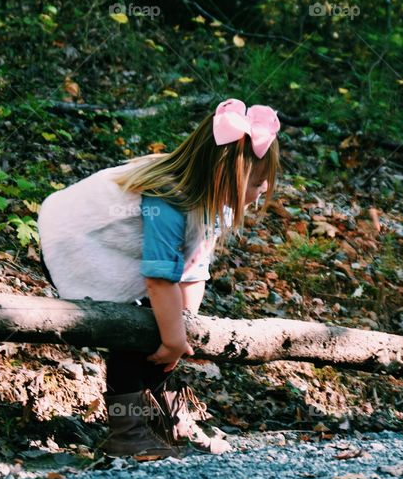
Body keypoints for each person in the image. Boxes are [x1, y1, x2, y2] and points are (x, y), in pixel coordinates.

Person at [37, 98, 280, 455]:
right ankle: (126, 429)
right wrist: (170, 336)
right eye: (258, 184)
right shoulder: (168, 198)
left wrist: (181, 333)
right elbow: (160, 278)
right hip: (77, 239)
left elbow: (193, 269)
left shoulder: (212, 202)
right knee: (133, 328)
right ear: (228, 176)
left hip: (126, 253)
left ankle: (164, 417)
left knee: (165, 328)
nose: (262, 193)